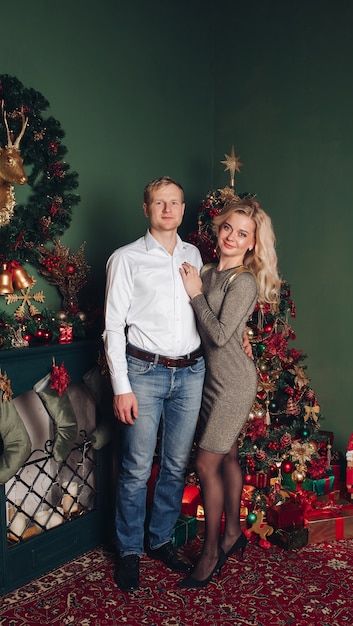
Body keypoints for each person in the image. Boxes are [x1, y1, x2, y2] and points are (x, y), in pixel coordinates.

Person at [103, 176, 206, 592]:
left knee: (177, 464)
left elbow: (203, 308)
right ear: (146, 209)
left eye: (176, 203)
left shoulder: (193, 254)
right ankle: (129, 550)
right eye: (159, 203)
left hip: (192, 372)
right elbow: (112, 327)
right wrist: (120, 387)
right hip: (143, 374)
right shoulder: (125, 259)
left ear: (183, 209)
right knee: (136, 468)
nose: (168, 209)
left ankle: (160, 538)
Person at [177, 197, 281, 588]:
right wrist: (198, 289)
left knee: (206, 464)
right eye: (227, 228)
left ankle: (211, 552)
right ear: (217, 228)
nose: (231, 238)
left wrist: (195, 294)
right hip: (208, 381)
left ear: (253, 243)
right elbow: (218, 331)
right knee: (229, 457)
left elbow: (220, 337)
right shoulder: (205, 270)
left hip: (234, 384)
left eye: (242, 234)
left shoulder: (245, 281)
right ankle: (234, 532)